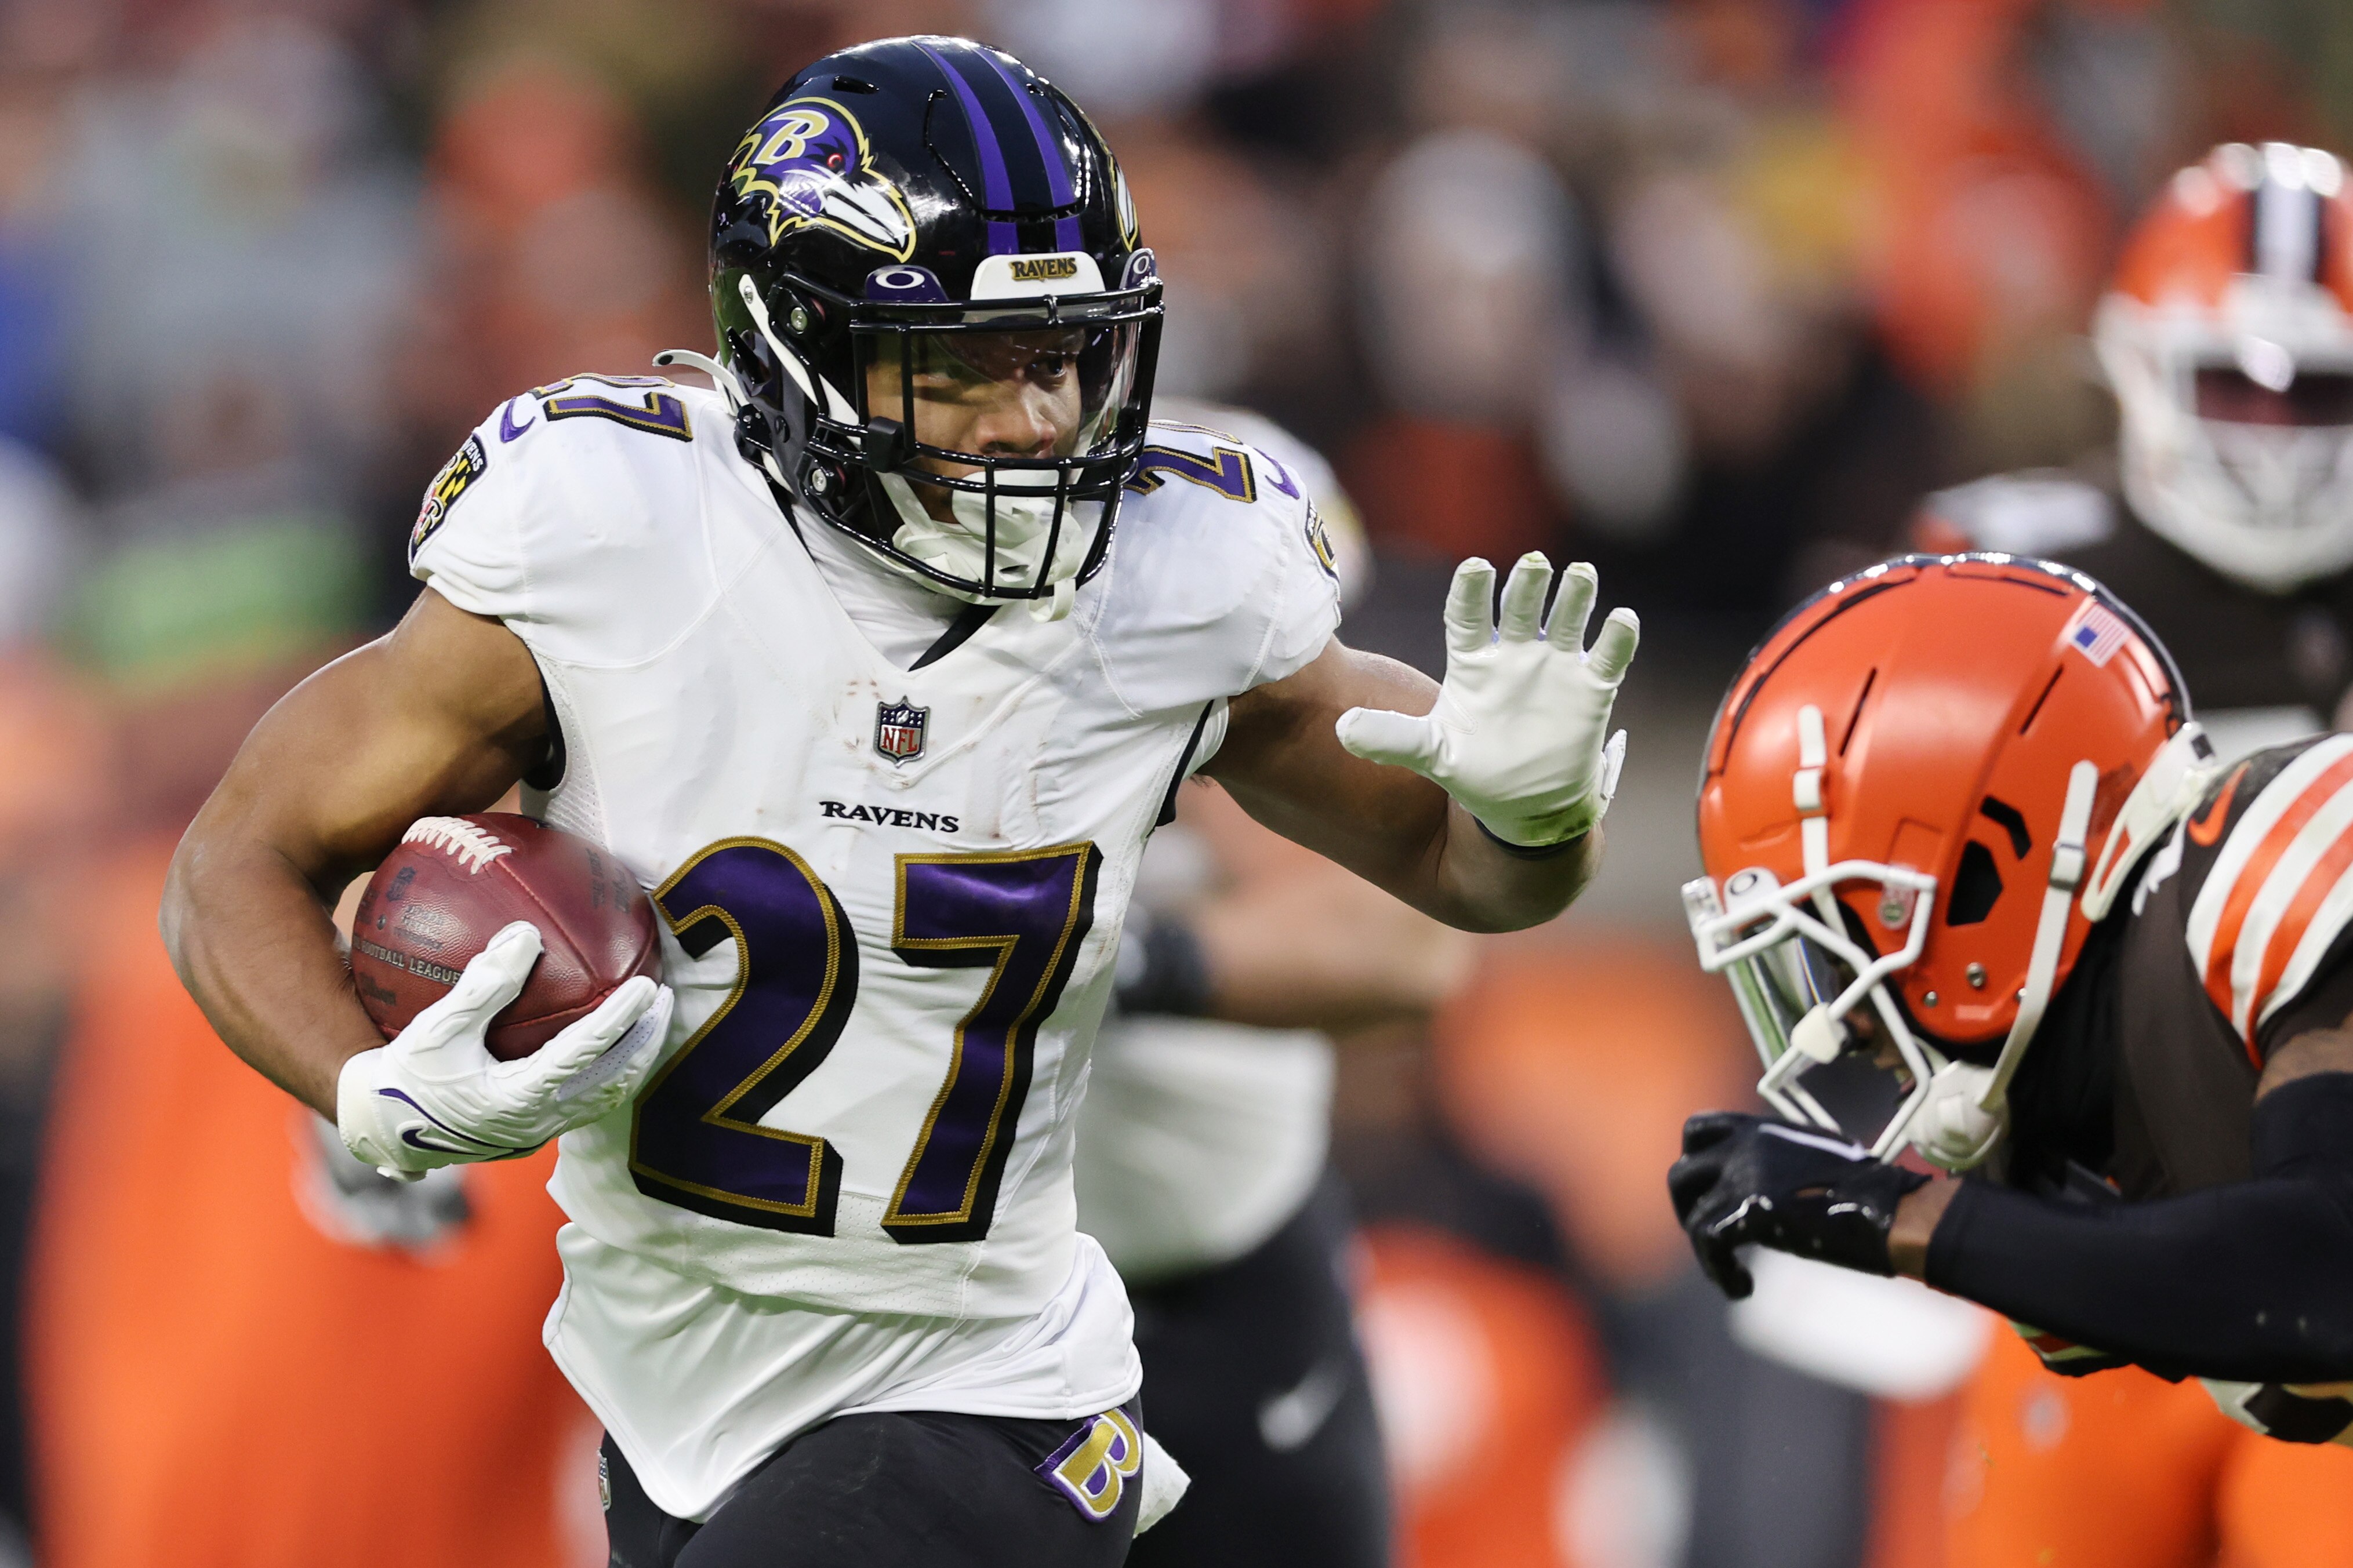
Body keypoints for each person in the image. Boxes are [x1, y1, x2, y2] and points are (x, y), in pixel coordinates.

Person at [158, 37, 1641, 1568]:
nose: (1033, 421)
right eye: (962, 367)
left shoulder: (1176, 576)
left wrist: (1535, 814)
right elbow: (241, 857)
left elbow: (1465, 887)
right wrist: (364, 1089)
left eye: (1060, 355)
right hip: (674, 1391)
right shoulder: (608, 535)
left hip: (986, 1387)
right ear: (798, 349)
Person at [1665, 551, 2353, 1455]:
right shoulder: (2068, 1143)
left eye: (1840, 944)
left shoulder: (2276, 850)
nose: (1844, 1024)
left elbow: (2323, 1272)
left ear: (1983, 873)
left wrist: (1897, 1216)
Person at [1081, 400, 1468, 1568]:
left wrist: (1120, 958)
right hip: (956, 1291)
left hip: (1208, 1283)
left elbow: (1416, 948)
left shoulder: (1221, 712)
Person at [1915, 141, 2353, 762]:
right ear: (2136, 367)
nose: (2272, 433)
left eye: (2319, 393)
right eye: (2228, 387)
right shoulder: (2002, 576)